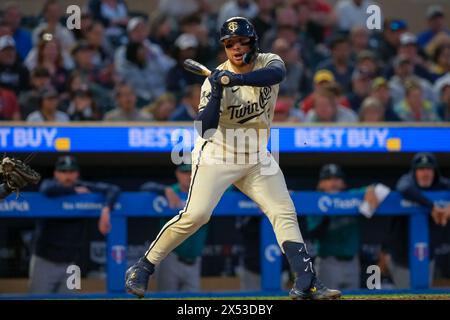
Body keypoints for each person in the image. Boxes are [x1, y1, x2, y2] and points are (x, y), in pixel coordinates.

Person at [125, 17, 341, 300]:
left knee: (283, 211)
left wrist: (236, 79)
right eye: (229, 44)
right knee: (196, 215)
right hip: (218, 155)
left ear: (254, 43)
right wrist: (216, 92)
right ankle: (143, 267)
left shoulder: (268, 61)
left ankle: (306, 281)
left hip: (256, 158)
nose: (236, 49)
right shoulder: (213, 81)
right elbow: (203, 128)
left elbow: (277, 75)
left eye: (242, 42)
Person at [29, 155, 120, 294]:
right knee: (36, 297)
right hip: (44, 261)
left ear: (77, 173)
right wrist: (73, 191)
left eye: (71, 171)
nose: (68, 175)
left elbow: (113, 189)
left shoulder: (83, 186)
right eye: (63, 171)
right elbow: (45, 188)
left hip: (71, 263)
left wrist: (106, 209)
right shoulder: (51, 186)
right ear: (56, 173)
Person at [306, 164, 383, 290]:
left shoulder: (352, 197)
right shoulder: (315, 202)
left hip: (352, 262)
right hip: (328, 262)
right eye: (328, 179)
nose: (333, 183)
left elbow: (378, 188)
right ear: (320, 184)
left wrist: (371, 189)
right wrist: (329, 211)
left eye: (337, 179)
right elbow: (315, 234)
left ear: (343, 183)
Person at [384, 152, 450, 288]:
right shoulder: (408, 182)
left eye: (429, 169)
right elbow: (403, 187)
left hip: (427, 257)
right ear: (414, 172)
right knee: (407, 295)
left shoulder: (441, 184)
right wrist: (433, 206)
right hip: (401, 259)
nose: (425, 173)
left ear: (435, 172)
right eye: (421, 169)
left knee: (424, 294)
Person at [140, 164, 208, 292]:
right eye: (184, 173)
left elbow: (231, 185)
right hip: (171, 258)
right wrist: (165, 190)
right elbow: (145, 187)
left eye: (191, 172)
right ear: (177, 174)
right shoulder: (172, 191)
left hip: (195, 261)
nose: (188, 176)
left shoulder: (205, 193)